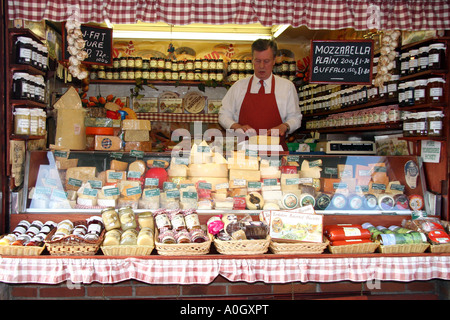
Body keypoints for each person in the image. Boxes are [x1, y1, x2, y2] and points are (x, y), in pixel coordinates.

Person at [219, 39, 302, 150]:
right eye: (257, 61)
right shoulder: (239, 86)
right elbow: (223, 115)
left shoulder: (286, 87)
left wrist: (284, 126)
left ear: (274, 60)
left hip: (275, 153)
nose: (262, 66)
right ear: (252, 60)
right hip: (245, 154)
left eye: (266, 61)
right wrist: (237, 126)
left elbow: (295, 118)